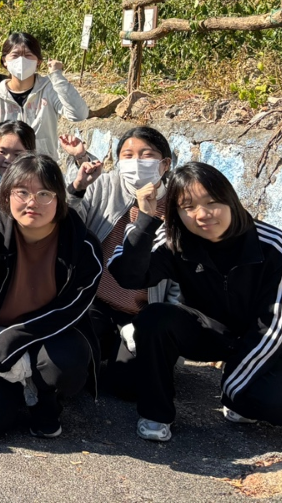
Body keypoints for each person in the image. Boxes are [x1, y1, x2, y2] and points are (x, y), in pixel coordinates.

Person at [109, 162, 282, 442]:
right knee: (151, 325)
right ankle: (156, 415)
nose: (202, 215)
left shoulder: (276, 246)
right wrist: (145, 219)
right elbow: (127, 276)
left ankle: (239, 394)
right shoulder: (174, 239)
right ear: (176, 212)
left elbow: (272, 326)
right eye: (187, 207)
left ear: (231, 200)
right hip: (206, 329)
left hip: (266, 336)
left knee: (281, 406)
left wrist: (233, 387)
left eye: (212, 202)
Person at [0, 153, 103, 440]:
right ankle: (16, 389)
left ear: (59, 199)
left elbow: (74, 306)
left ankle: (46, 400)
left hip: (48, 334)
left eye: (44, 193)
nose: (32, 202)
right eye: (23, 192)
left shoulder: (81, 243)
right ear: (7, 195)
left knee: (67, 360)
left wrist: (15, 337)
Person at [63, 126, 177, 399]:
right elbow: (69, 225)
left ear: (165, 164)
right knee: (77, 371)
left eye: (146, 154)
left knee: (125, 388)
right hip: (96, 303)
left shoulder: (178, 204)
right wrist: (77, 189)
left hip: (143, 312)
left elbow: (179, 280)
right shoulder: (104, 185)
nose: (136, 162)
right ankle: (106, 343)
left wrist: (162, 328)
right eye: (128, 155)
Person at [0, 32, 89, 173]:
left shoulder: (49, 88)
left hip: (43, 171)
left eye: (28, 55)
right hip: (8, 172)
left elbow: (78, 114)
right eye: (15, 56)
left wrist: (57, 76)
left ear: (38, 61)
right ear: (4, 60)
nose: (21, 61)